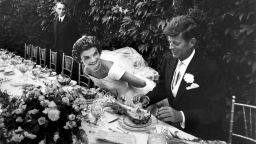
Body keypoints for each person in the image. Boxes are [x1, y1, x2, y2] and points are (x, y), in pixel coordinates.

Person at [134, 15, 228, 140]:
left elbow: (216, 111)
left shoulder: (209, 68)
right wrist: (147, 98)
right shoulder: (169, 60)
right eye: (169, 42)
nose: (170, 47)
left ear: (192, 42)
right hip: (175, 131)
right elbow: (162, 86)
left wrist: (181, 115)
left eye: (176, 43)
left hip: (202, 135)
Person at [72, 35, 158, 106]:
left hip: (134, 99)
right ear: (80, 60)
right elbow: (106, 86)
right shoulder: (87, 70)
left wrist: (124, 77)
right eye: (87, 57)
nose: (93, 59)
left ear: (99, 52)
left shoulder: (112, 69)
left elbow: (142, 83)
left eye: (95, 54)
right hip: (117, 102)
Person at [53, 1, 79, 75]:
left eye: (63, 9)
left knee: (67, 74)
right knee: (57, 73)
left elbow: (76, 37)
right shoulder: (55, 20)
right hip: (58, 51)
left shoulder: (71, 21)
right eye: (59, 8)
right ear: (56, 9)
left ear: (66, 10)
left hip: (68, 52)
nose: (61, 11)